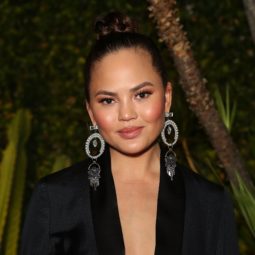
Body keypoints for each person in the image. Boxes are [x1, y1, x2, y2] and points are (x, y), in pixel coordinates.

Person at [20, 12, 239, 255]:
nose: (126, 114)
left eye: (141, 94)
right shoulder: (55, 199)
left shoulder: (209, 203)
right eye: (108, 100)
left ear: (167, 98)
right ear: (91, 112)